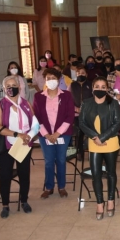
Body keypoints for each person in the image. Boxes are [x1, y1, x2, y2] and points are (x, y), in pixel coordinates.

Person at [0, 75, 40, 218]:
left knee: (24, 174)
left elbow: (35, 124)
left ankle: (24, 201)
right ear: (3, 89)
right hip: (8, 145)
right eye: (8, 86)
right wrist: (17, 134)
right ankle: (5, 205)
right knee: (5, 175)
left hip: (24, 144)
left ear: (19, 87)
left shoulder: (26, 103)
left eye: (14, 85)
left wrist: (29, 137)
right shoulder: (0, 105)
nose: (11, 88)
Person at [79, 77, 120, 220]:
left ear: (107, 89)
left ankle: (110, 200)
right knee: (96, 174)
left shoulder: (113, 103)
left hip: (110, 142)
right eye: (97, 86)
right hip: (93, 143)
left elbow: (117, 123)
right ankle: (99, 203)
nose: (100, 89)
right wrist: (95, 137)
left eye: (103, 87)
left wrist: (102, 138)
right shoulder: (86, 103)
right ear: (92, 88)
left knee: (111, 173)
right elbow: (82, 123)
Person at [33, 68, 75, 199]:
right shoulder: (38, 96)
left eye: (53, 78)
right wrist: (46, 134)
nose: (51, 81)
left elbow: (70, 116)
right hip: (45, 134)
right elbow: (37, 118)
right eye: (48, 78)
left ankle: (61, 187)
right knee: (49, 161)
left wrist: (57, 133)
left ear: (59, 80)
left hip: (63, 133)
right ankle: (49, 187)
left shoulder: (66, 95)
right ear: (45, 81)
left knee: (61, 160)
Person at [70, 65, 93, 160]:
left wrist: (86, 108)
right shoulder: (72, 85)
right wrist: (75, 108)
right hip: (76, 114)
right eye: (78, 73)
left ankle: (94, 152)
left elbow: (94, 98)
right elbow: (68, 99)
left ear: (86, 74)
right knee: (79, 134)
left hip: (89, 113)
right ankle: (79, 152)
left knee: (92, 133)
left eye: (83, 73)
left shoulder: (91, 84)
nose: (80, 74)